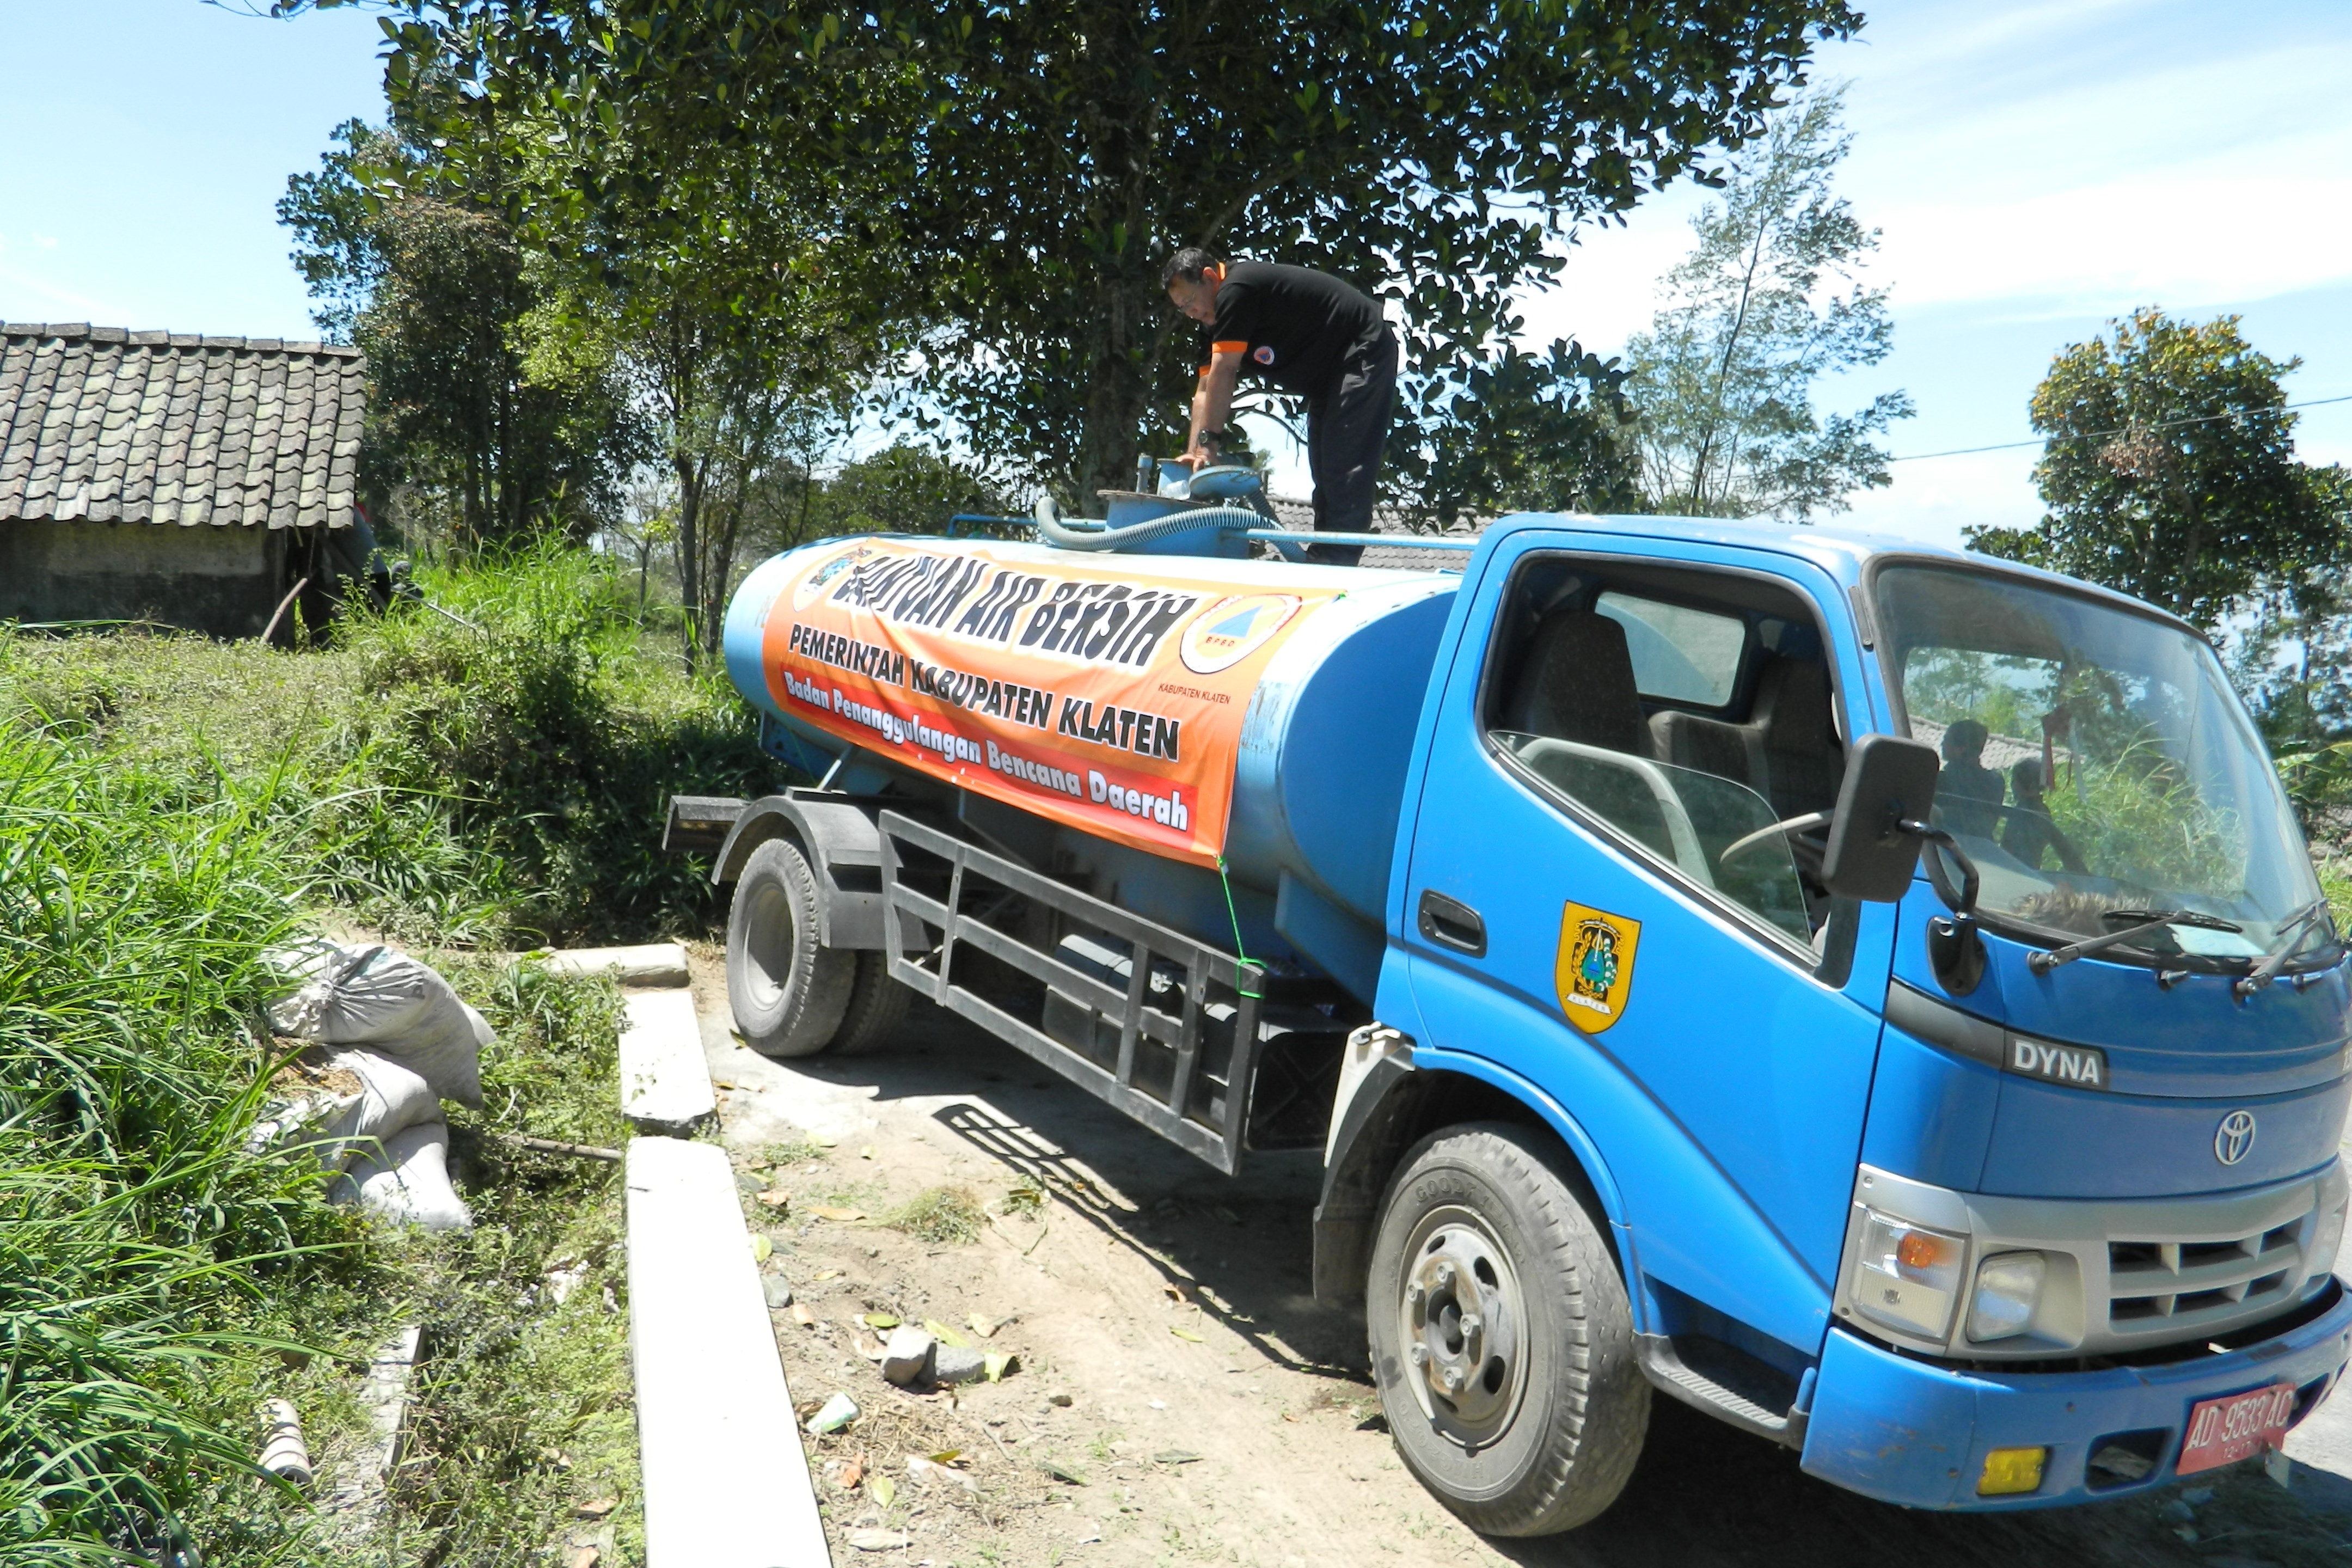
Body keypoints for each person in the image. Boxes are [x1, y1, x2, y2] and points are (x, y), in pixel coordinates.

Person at [1162, 248, 1398, 564]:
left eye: (1191, 302)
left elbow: (1224, 371)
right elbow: (1204, 389)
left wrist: (1210, 444)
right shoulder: (1211, 323)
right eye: (1182, 309)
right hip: (1329, 373)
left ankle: (1336, 561)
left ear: (1209, 277)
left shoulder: (1236, 290)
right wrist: (1194, 452)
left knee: (1344, 461)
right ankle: (1324, 555)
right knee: (1324, 466)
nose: (1191, 312)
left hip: (1361, 349)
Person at [2000, 757, 2087, 874]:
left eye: (2014, 781)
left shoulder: (2027, 813)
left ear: (2030, 784)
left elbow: (2010, 848)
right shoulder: (2040, 811)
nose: (2012, 785)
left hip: (2017, 874)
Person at [1935, 719, 2006, 841]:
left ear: (1962, 748)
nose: (1942, 744)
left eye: (1947, 740)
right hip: (1982, 850)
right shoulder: (1996, 782)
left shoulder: (1941, 781)